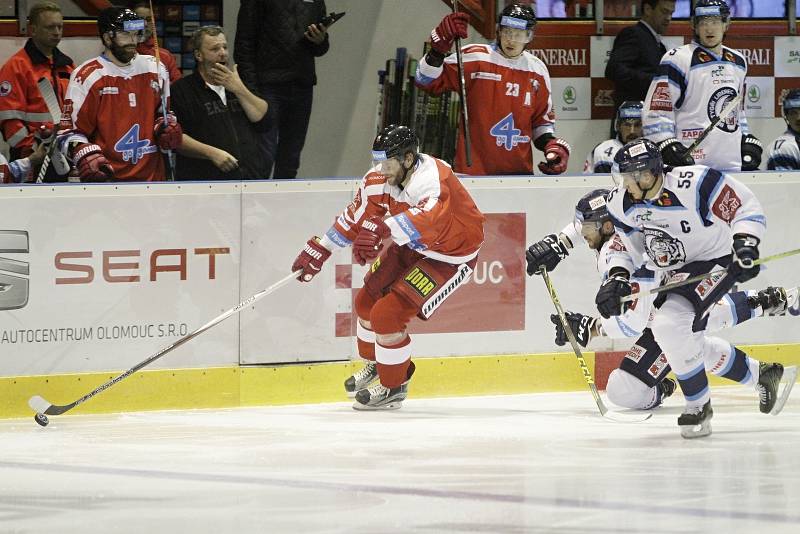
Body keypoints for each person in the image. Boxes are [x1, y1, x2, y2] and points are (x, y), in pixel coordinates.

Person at [525, 188, 797, 410]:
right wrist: (560, 243)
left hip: (681, 290)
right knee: (689, 334)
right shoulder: (622, 217)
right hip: (689, 278)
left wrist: (592, 328)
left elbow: (634, 322)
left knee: (627, 386)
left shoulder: (616, 256)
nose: (582, 233)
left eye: (586, 228)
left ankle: (765, 310)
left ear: (607, 226)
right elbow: (592, 216)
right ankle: (767, 316)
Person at [595, 138, 795, 437]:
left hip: (714, 260)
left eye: (629, 177)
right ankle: (760, 374)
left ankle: (698, 407)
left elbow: (745, 206)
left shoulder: (694, 182)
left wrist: (746, 243)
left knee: (669, 324)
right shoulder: (622, 203)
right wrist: (618, 276)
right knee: (683, 337)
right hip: (673, 272)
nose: (624, 184)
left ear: (647, 175)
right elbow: (627, 246)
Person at [291, 125, 485, 410]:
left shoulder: (432, 179)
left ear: (408, 159)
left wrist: (381, 229)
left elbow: (431, 220)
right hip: (414, 246)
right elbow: (354, 217)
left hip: (450, 256)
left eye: (388, 161)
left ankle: (394, 385)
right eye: (377, 160)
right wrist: (322, 248)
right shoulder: (379, 178)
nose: (381, 168)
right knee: (366, 301)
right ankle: (378, 364)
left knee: (387, 316)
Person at [415, 3, 571, 176]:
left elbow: (541, 123)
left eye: (519, 35)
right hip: (473, 174)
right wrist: (437, 51)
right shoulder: (475, 57)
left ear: (530, 36)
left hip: (520, 176)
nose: (511, 40)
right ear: (498, 31)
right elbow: (425, 80)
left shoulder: (537, 70)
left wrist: (551, 144)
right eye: (507, 32)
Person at [56, 7, 183, 182]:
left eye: (136, 34)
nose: (133, 41)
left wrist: (166, 128)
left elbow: (163, 114)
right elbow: (67, 134)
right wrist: (83, 152)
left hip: (153, 180)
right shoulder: (87, 76)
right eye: (125, 34)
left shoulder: (156, 68)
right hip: (107, 182)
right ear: (108, 38)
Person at [642, 0, 762, 172]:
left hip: (730, 163)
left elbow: (737, 111)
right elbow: (657, 110)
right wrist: (664, 142)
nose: (709, 29)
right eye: (703, 22)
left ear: (726, 24)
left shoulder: (738, 62)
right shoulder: (677, 59)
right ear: (694, 26)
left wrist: (744, 137)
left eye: (715, 22)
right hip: (690, 165)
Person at [234, 0, 330, 179]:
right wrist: (251, 91)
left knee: (291, 157)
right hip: (267, 86)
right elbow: (244, 43)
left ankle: (284, 205)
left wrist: (320, 40)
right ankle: (254, 204)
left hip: (302, 85)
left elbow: (321, 48)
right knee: (263, 156)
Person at [171, 26, 268, 180]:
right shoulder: (181, 90)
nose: (223, 53)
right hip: (205, 180)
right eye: (215, 49)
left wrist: (238, 88)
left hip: (249, 177)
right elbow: (176, 137)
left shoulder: (239, 83)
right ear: (198, 55)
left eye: (224, 47)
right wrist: (211, 153)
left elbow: (262, 118)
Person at [0, 1, 73, 179]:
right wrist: (31, 149)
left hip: (64, 153)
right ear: (32, 30)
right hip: (31, 157)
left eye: (60, 27)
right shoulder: (16, 67)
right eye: (50, 27)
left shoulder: (67, 66)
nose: (57, 32)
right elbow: (9, 120)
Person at [605, 0, 675, 136]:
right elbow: (614, 69)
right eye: (664, 12)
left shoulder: (658, 44)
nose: (669, 18)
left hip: (648, 124)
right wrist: (655, 83)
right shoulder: (633, 34)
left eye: (671, 13)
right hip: (630, 126)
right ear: (648, 9)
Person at [583, 101, 643, 174]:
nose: (632, 131)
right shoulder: (602, 151)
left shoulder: (655, 151)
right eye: (627, 125)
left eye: (637, 125)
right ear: (618, 126)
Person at [130, 0, 182, 84]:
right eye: (140, 19)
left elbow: (178, 87)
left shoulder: (165, 56)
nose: (145, 24)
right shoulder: (120, 52)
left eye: (149, 19)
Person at [766, 89, 800, 171]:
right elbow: (787, 183)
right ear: (786, 116)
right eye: (793, 113)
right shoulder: (785, 147)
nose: (799, 118)